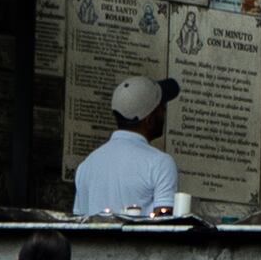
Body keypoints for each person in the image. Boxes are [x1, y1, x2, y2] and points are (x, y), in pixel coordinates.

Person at [74, 76, 181, 218]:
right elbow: (164, 221)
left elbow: (78, 222)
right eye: (162, 109)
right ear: (149, 120)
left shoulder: (86, 166)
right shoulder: (160, 163)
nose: (164, 114)